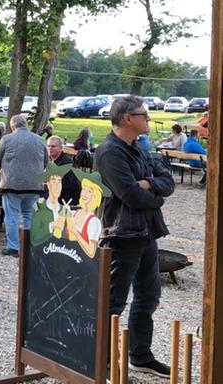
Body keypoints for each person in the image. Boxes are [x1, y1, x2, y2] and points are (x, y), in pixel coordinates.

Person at [94, 95, 175, 378]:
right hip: (122, 235)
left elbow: (168, 182)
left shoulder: (139, 147)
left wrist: (149, 184)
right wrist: (155, 196)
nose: (149, 119)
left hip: (146, 233)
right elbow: (129, 194)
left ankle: (140, 356)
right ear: (128, 119)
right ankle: (102, 363)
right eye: (145, 115)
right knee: (113, 302)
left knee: (149, 296)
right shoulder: (109, 152)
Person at [0, 114, 49, 257]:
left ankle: (13, 247)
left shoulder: (6, 139)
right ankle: (28, 246)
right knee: (29, 215)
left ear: (12, 126)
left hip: (11, 184)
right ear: (26, 125)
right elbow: (45, 162)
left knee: (11, 216)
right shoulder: (39, 139)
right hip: (34, 185)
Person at [46, 136, 81, 205]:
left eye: (53, 146)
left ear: (61, 148)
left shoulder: (66, 163)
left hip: (68, 199)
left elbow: (65, 184)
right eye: (48, 146)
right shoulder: (53, 161)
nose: (50, 148)